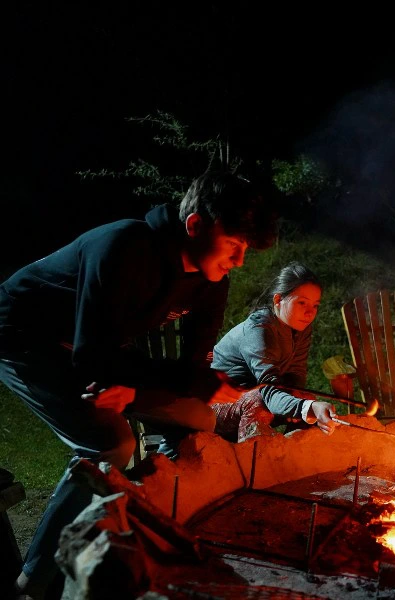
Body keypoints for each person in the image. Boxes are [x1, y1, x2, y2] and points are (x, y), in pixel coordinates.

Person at [0, 170, 276, 599]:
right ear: (196, 225)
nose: (239, 260)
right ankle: (31, 584)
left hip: (98, 353)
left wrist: (166, 387)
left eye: (245, 250)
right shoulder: (122, 247)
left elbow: (192, 370)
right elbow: (92, 357)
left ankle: (157, 519)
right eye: (234, 245)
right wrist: (139, 386)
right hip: (23, 337)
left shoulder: (210, 281)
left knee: (198, 417)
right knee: (110, 442)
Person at [211, 261, 339, 441]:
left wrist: (305, 405)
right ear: (278, 300)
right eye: (302, 302)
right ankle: (253, 459)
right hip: (215, 405)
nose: (310, 313)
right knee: (262, 401)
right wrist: (307, 407)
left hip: (259, 397)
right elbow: (267, 389)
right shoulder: (259, 330)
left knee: (305, 398)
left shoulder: (300, 328)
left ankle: (293, 457)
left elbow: (294, 381)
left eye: (315, 305)